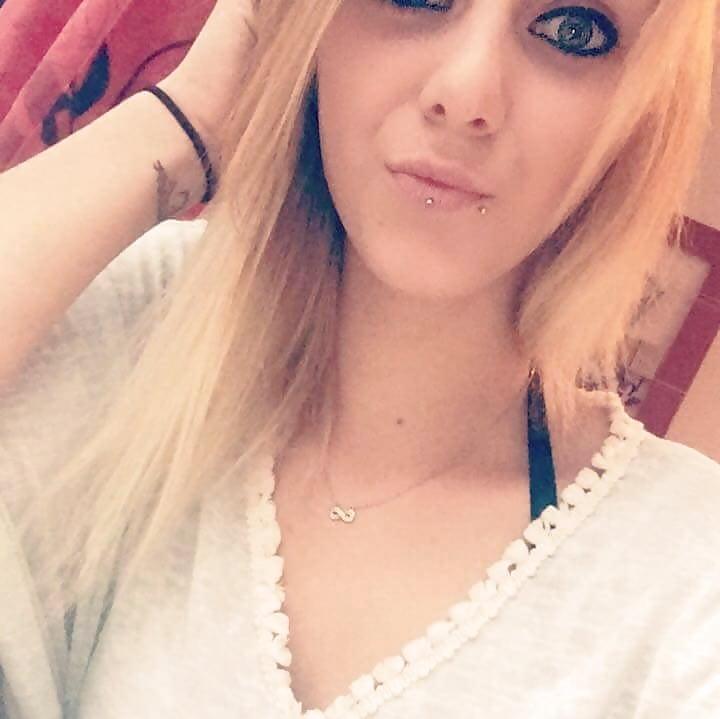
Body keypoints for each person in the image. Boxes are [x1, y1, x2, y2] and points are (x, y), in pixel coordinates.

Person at [0, 0, 718, 717]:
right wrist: (188, 116)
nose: (466, 94)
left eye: (573, 32)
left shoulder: (687, 574)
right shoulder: (141, 329)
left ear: (639, 113)